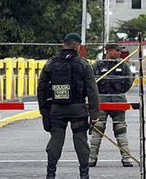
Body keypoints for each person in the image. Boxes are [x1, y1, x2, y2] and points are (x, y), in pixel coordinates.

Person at [37, 33, 100, 179]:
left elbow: (41, 88)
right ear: (78, 47)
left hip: (57, 108)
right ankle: (84, 174)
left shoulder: (51, 63)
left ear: (63, 44)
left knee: (56, 140)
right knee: (81, 141)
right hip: (78, 108)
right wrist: (94, 115)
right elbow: (92, 91)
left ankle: (51, 173)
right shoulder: (83, 64)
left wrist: (44, 110)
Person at [88, 42, 134, 167]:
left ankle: (126, 157)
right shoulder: (97, 65)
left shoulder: (123, 65)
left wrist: (119, 92)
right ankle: (91, 158)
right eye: (117, 50)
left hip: (118, 102)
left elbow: (129, 81)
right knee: (98, 129)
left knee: (120, 129)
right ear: (109, 51)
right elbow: (90, 82)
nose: (120, 53)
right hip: (102, 102)